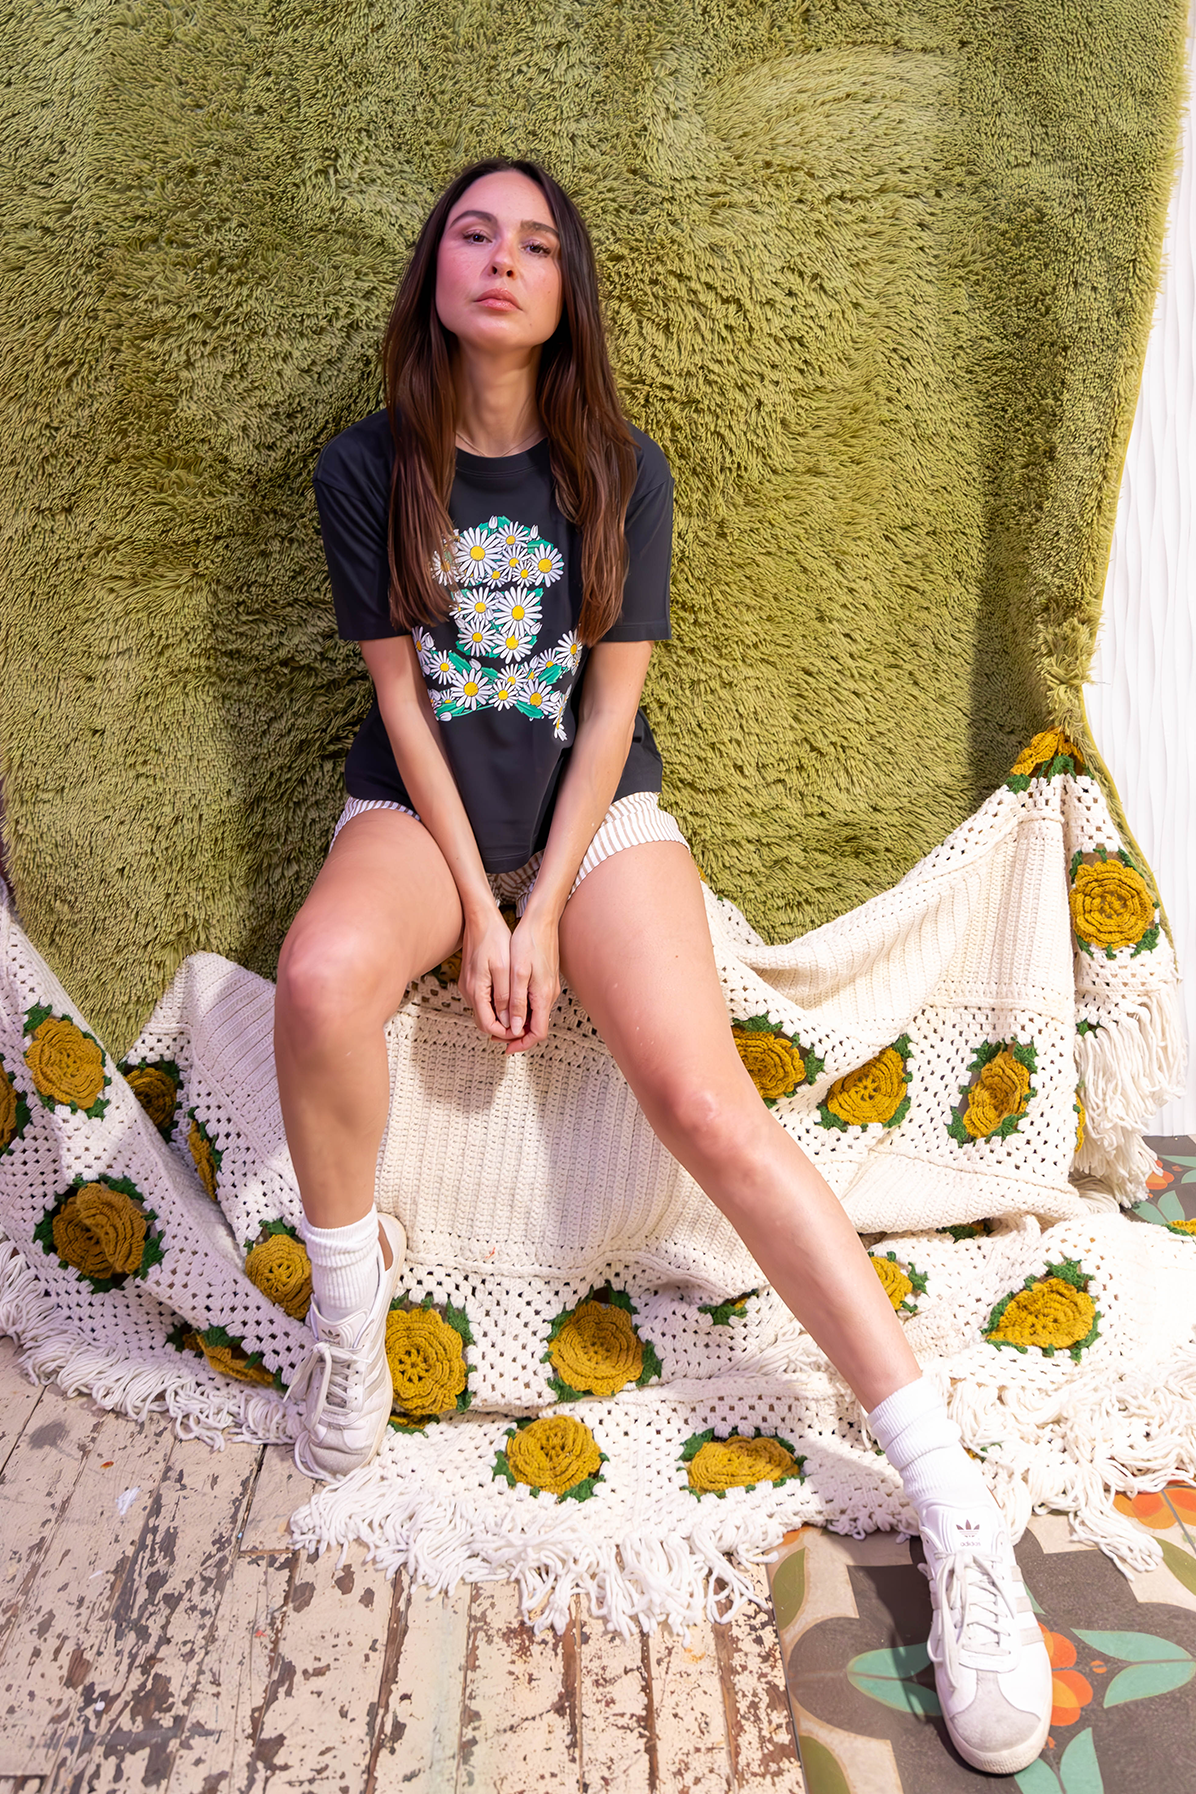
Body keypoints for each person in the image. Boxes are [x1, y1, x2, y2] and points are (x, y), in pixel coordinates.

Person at [273, 156, 1052, 1776]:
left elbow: (611, 709)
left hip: (594, 813)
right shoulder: (367, 466)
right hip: (419, 809)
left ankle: (952, 1499)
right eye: (474, 234)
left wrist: (543, 906)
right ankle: (348, 1324)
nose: (502, 260)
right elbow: (405, 704)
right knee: (321, 978)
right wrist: (475, 909)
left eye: (535, 243)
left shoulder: (622, 469)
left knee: (706, 1097)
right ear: (436, 273)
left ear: (567, 293)